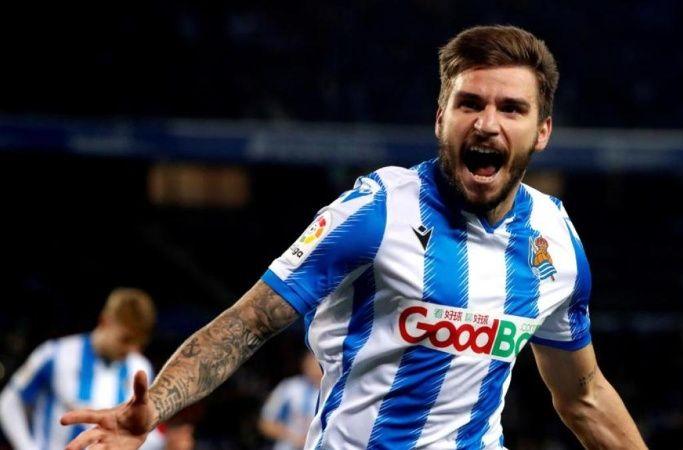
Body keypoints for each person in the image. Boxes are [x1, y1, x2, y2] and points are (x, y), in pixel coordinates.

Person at [62, 25, 648, 449]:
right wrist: (155, 408)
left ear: (542, 131)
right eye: (469, 103)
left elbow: (583, 395)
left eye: (512, 109)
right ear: (440, 117)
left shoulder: (555, 241)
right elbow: (252, 320)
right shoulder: (377, 210)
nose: (487, 123)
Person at [0, 287, 166, 449]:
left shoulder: (140, 367)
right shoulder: (56, 354)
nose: (131, 349)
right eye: (125, 339)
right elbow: (9, 401)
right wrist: (26, 446)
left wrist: (164, 442)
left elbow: (140, 431)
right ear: (104, 321)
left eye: (139, 343)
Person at [259, 351, 322, 450]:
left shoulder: (337, 393)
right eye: (313, 363)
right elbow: (265, 424)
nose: (317, 368)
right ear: (305, 364)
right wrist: (293, 437)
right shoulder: (289, 388)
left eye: (320, 364)